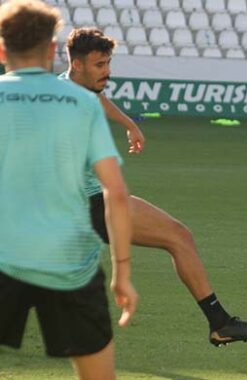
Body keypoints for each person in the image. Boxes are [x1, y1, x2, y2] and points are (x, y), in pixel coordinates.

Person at [62, 27, 247, 346]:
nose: (108, 71)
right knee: (178, 237)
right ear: (77, 64)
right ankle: (220, 323)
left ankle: (220, 323)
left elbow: (98, 100)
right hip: (90, 203)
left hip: (88, 201)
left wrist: (129, 124)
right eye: (100, 65)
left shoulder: (73, 88)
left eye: (108, 63)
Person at [0, 0, 136, 378]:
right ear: (50, 51)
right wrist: (121, 272)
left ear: (1, 49)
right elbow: (117, 193)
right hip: (69, 262)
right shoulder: (83, 102)